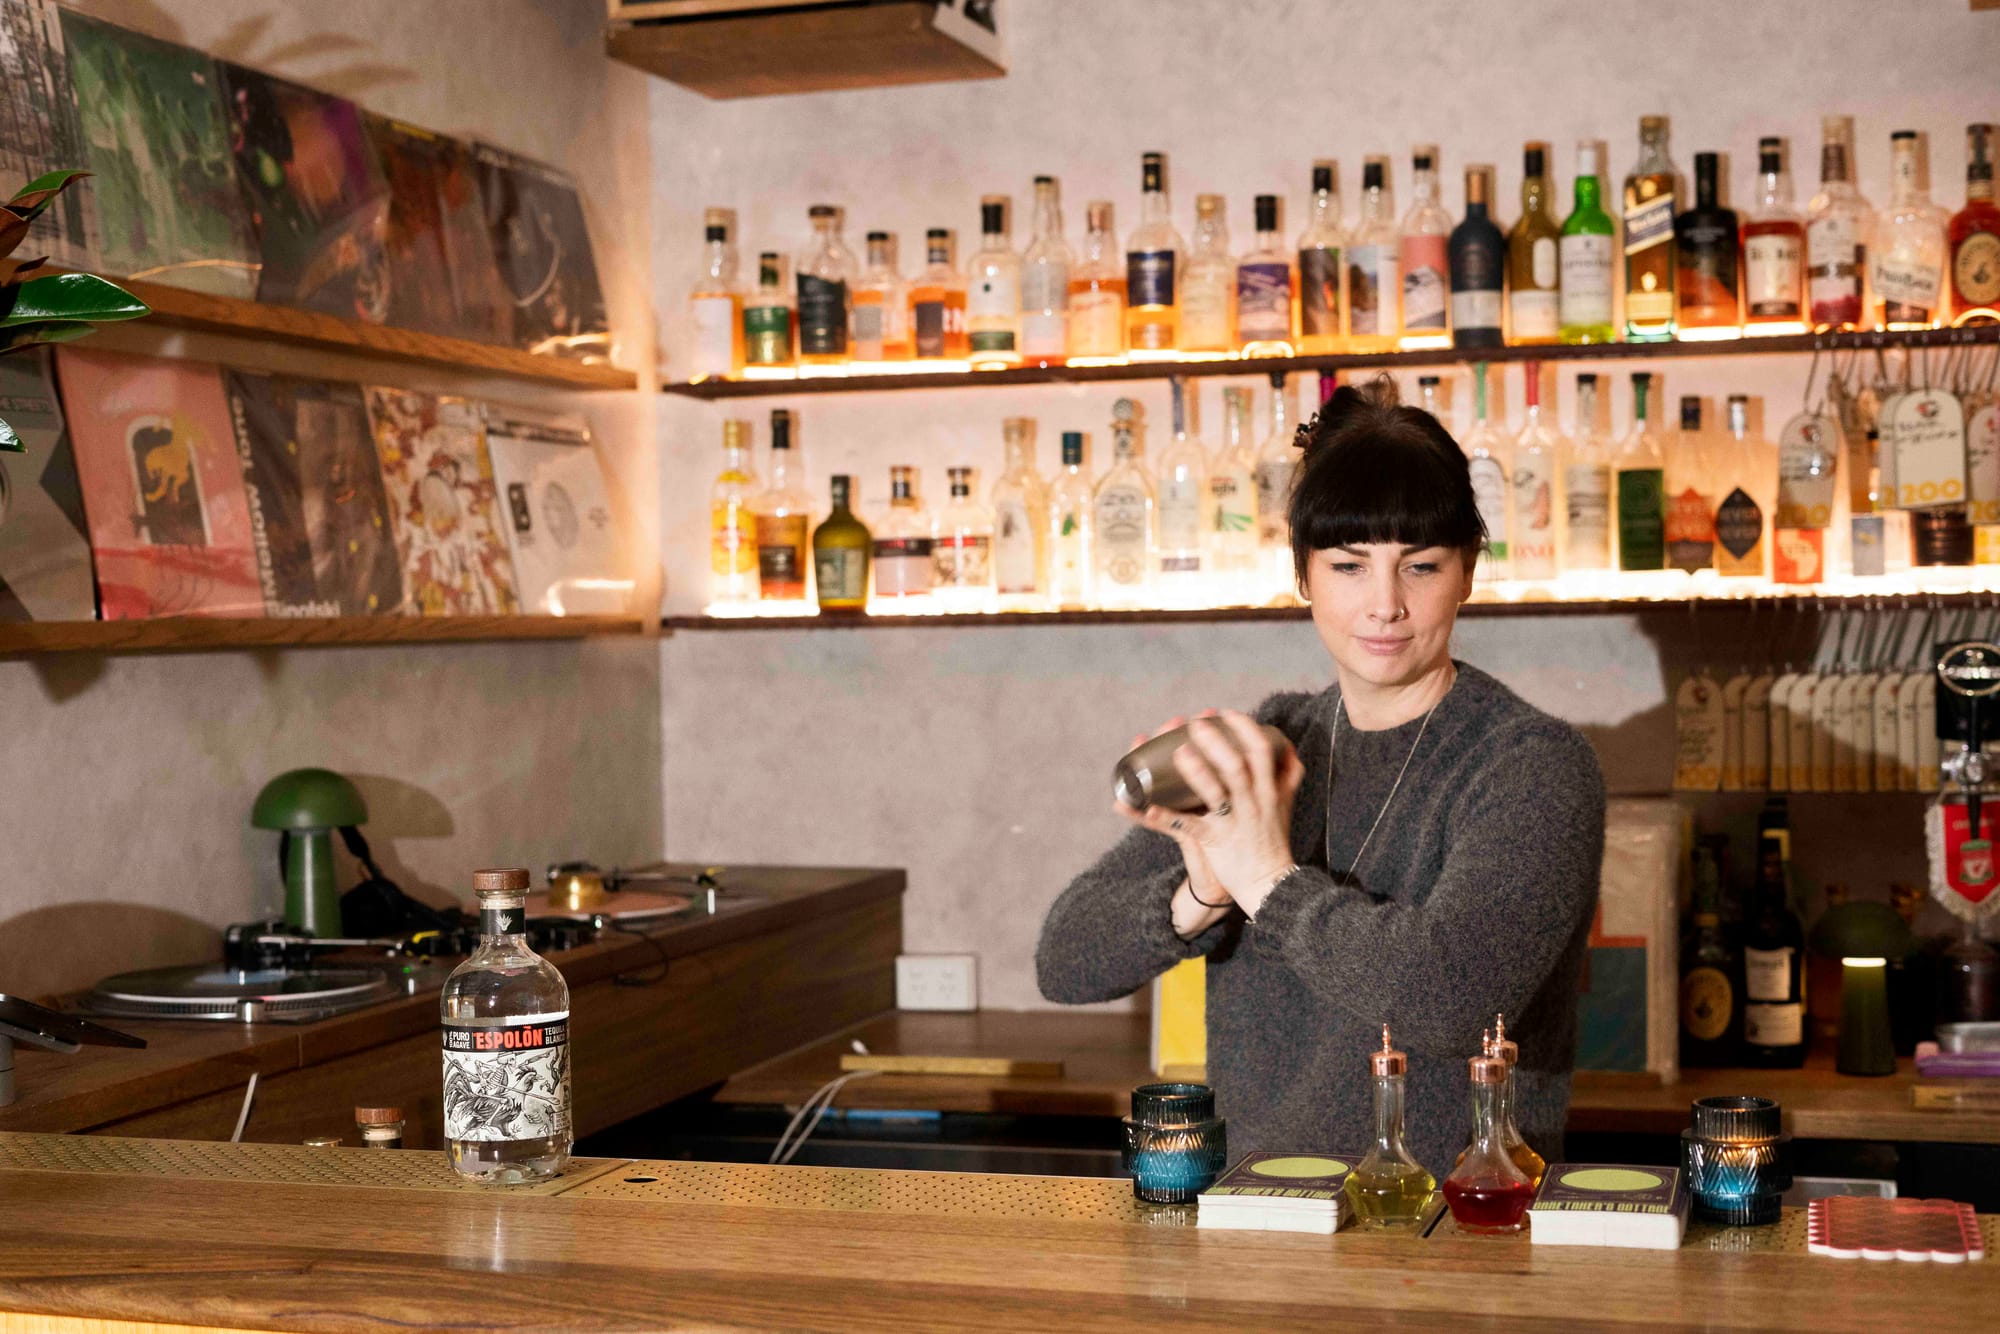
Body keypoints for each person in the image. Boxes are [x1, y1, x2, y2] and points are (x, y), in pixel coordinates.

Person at [1035, 377, 1605, 1174]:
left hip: (1455, 1229)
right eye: (1347, 565)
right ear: (1303, 574)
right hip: (1260, 1218)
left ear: (1468, 570)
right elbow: (1062, 961)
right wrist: (1202, 891)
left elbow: (1452, 1000)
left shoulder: (1532, 767)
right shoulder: (1271, 744)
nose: (1384, 605)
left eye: (1421, 566)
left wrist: (1266, 878)